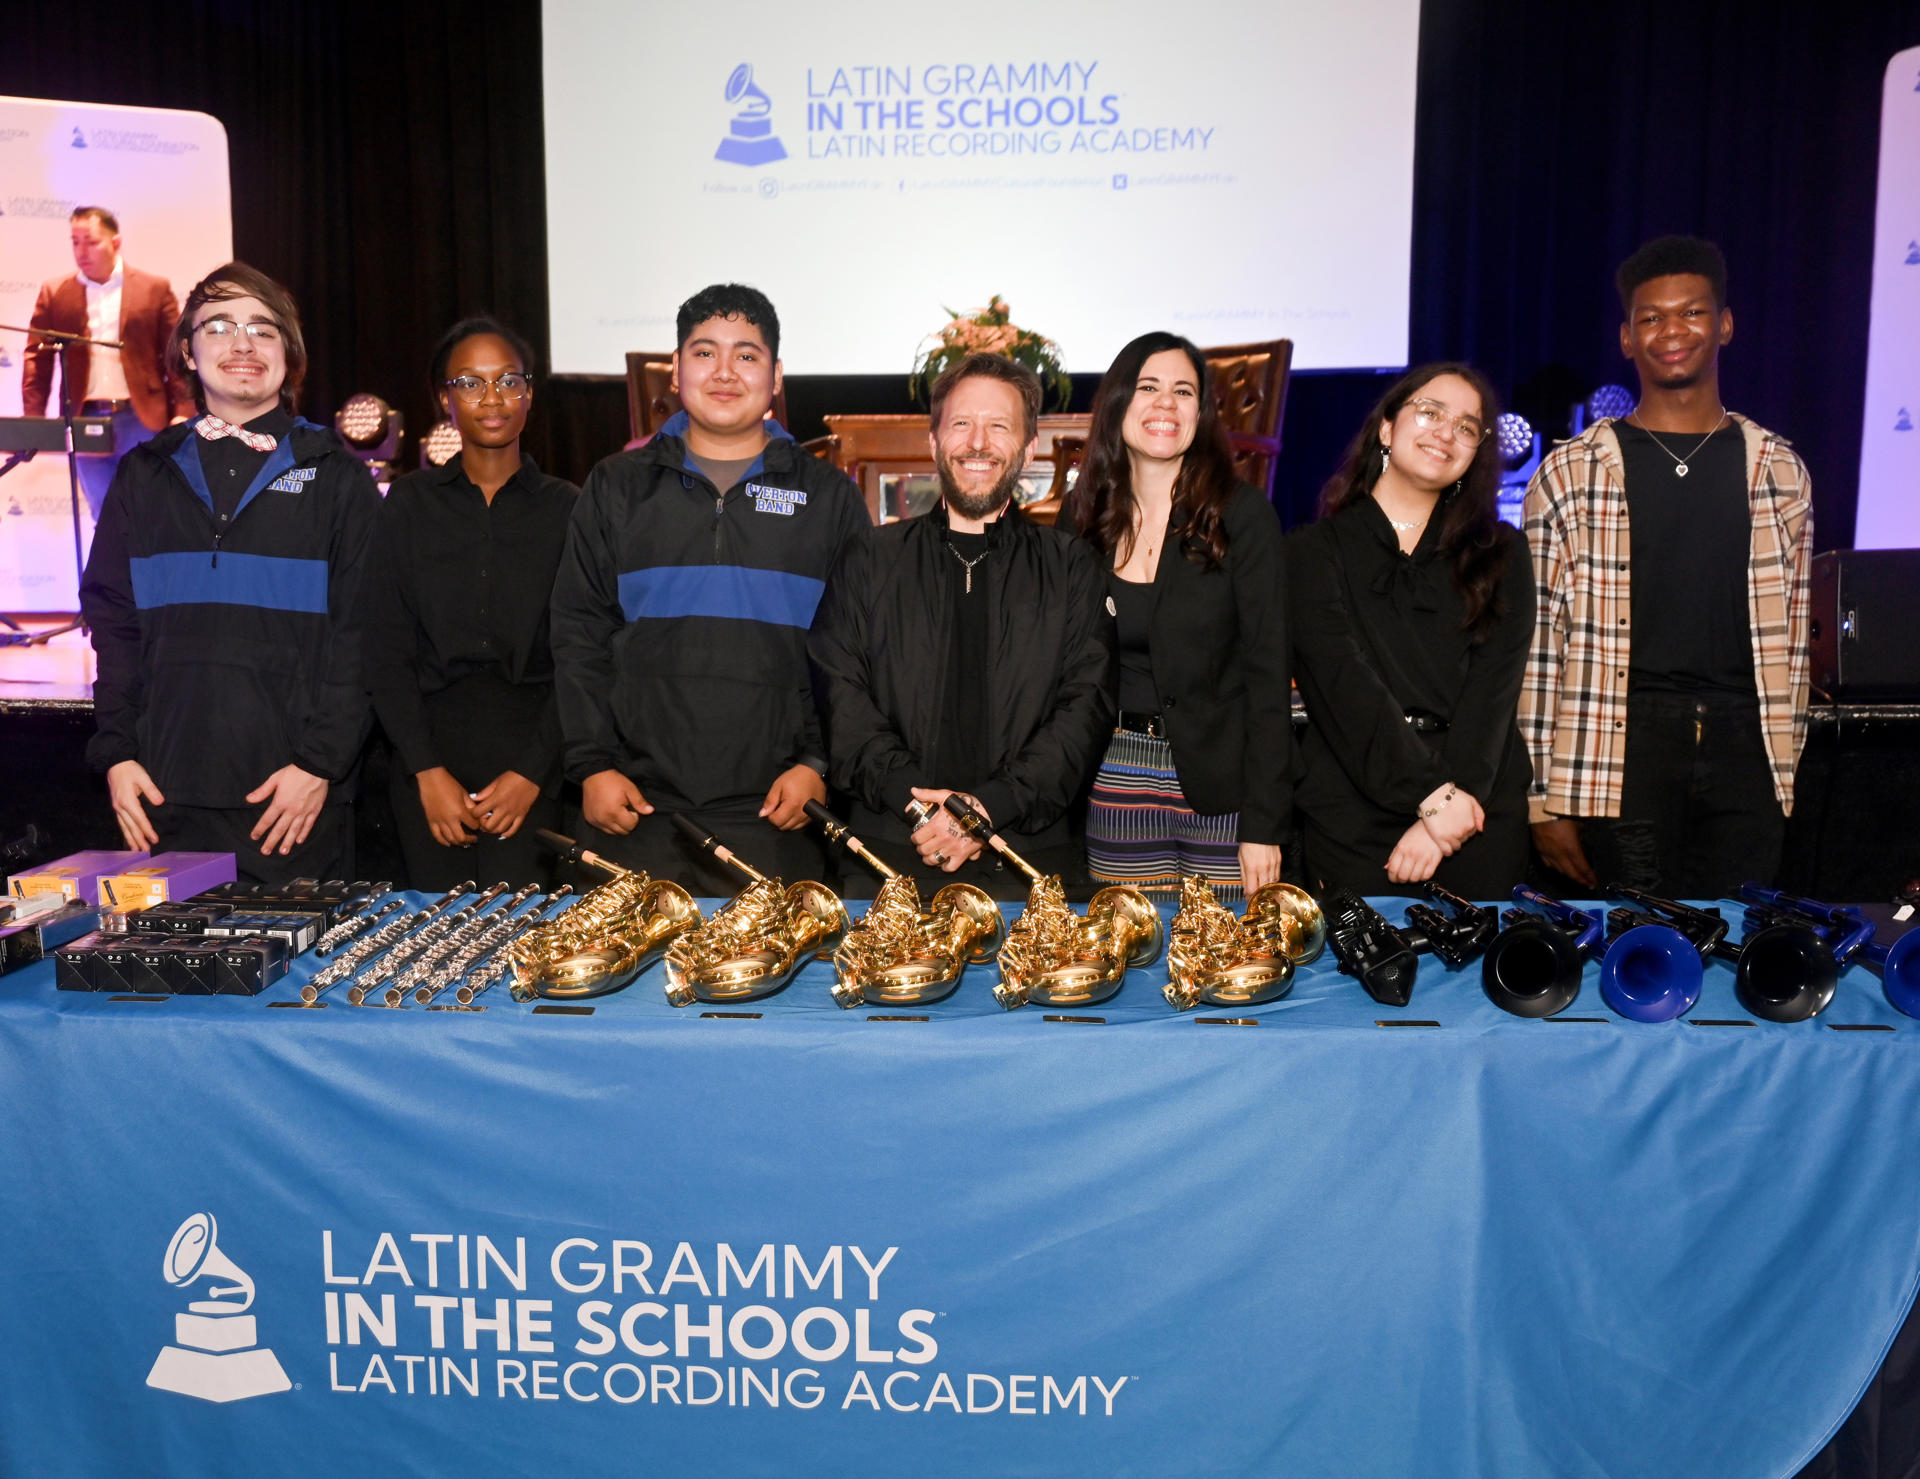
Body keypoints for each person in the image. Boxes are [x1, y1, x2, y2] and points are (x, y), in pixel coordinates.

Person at [549, 283, 870, 893]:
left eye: (746, 355)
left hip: (779, 813)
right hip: (634, 808)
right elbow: (578, 633)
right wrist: (591, 765)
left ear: (775, 376)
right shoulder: (616, 486)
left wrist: (817, 764)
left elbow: (855, 654)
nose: (725, 372)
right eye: (704, 353)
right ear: (675, 369)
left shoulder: (829, 498)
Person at [1522, 236, 1813, 898]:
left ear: (1725, 324)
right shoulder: (1570, 472)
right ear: (1627, 338)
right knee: (1631, 955)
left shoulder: (1779, 470)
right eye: (1651, 317)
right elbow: (1539, 647)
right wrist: (1542, 798)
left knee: (1738, 951)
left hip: (1747, 745)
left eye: (1692, 312)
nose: (1671, 331)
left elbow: (1794, 645)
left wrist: (1784, 764)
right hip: (1621, 745)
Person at [78, 262, 380, 884]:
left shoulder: (338, 477)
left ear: (288, 356)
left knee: (302, 985)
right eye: (219, 327)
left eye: (263, 329)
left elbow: (368, 637)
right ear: (187, 351)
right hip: (163, 800)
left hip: (292, 805)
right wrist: (117, 757)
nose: (242, 344)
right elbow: (115, 629)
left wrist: (319, 766)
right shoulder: (144, 474)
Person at [809, 353, 1116, 900]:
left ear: (1027, 448)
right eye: (961, 424)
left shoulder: (1071, 566)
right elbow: (841, 702)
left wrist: (986, 810)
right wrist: (922, 807)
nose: (979, 442)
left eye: (999, 426)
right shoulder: (870, 558)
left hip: (1029, 857)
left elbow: (1085, 712)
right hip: (888, 853)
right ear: (933, 441)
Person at [1288, 363, 1533, 897]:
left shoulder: (1503, 553)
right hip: (1353, 809)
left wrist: (1447, 815)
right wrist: (1430, 796)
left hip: (1475, 814)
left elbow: (1492, 696)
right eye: (1430, 412)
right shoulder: (1311, 550)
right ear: (1386, 428)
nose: (1447, 432)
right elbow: (1340, 682)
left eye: (1467, 427)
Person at [1064, 331, 1290, 903]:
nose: (1166, 403)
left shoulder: (1242, 516)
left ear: (1201, 412)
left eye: (1183, 391)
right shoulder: (1083, 519)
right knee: (1132, 967)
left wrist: (1264, 824)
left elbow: (1269, 679)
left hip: (1224, 786)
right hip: (1115, 778)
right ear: (1118, 404)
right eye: (1148, 387)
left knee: (1230, 967)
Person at [366, 317, 577, 890]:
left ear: (529, 394)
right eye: (470, 382)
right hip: (428, 760)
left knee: (525, 947)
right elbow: (383, 651)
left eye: (509, 380)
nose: (492, 398)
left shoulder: (570, 510)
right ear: (444, 398)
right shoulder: (407, 506)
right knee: (435, 949)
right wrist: (426, 774)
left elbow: (584, 657)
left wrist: (534, 774)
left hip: (536, 762)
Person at [22, 207, 194, 519]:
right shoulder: (56, 293)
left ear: (115, 243)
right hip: (85, 421)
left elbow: (177, 356)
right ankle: (112, 570)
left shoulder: (153, 289)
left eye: (90, 241)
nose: (81, 251)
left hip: (142, 419)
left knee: (151, 514)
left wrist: (183, 412)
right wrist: (33, 419)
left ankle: (151, 569)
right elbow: (38, 357)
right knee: (105, 518)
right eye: (75, 242)